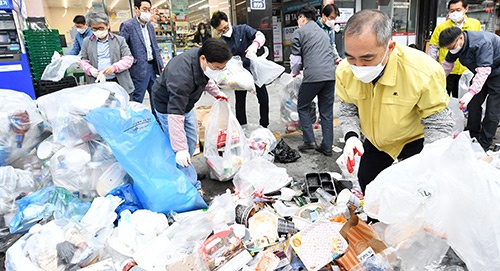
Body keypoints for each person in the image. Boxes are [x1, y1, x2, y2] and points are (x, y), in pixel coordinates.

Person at [336, 9, 454, 193]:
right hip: (377, 140)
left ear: (389, 48)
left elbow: (438, 122)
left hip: (413, 138)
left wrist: (430, 160)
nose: (358, 66)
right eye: (351, 57)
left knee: (413, 190)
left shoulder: (423, 71)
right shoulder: (345, 71)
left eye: (367, 58)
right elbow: (347, 107)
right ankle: (374, 221)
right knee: (367, 180)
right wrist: (351, 137)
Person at [152, 38, 231, 189]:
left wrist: (217, 93)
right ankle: (188, 186)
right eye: (217, 68)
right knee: (177, 146)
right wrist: (180, 150)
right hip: (167, 107)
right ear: (203, 59)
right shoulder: (181, 78)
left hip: (186, 104)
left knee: (190, 139)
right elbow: (175, 116)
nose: (219, 71)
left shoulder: (201, 58)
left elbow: (205, 79)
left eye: (223, 68)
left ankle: (187, 171)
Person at [439, 27, 500, 150]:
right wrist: (435, 81)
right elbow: (446, 66)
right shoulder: (456, 45)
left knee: (492, 110)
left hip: (497, 73)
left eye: (451, 47)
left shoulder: (481, 42)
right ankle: (472, 133)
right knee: (472, 104)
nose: (451, 50)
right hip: (480, 73)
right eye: (448, 49)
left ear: (460, 38)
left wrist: (471, 92)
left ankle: (484, 142)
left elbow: (484, 70)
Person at [210, 11, 270, 128]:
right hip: (237, 75)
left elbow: (260, 36)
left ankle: (264, 125)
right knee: (240, 101)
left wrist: (255, 45)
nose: (225, 31)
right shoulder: (222, 42)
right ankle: (242, 127)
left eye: (226, 27)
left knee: (263, 98)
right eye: (221, 31)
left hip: (253, 69)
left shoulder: (243, 29)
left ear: (228, 21)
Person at [290, 5, 336, 156]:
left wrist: (294, 73)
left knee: (303, 106)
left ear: (302, 17)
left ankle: (309, 141)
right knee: (326, 112)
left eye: (299, 18)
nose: (299, 21)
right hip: (330, 76)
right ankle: (327, 147)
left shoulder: (299, 32)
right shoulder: (323, 33)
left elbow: (296, 61)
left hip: (313, 77)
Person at [428, 0, 480, 98]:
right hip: (447, 69)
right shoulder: (441, 27)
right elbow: (433, 48)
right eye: (452, 11)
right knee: (442, 97)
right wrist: (431, 68)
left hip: (467, 70)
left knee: (462, 98)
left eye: (458, 10)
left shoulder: (475, 24)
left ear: (466, 9)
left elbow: (478, 44)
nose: (455, 13)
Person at [120, 0, 164, 109]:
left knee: (157, 98)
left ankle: (157, 122)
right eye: (144, 9)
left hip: (152, 67)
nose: (147, 12)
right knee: (137, 100)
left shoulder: (150, 27)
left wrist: (161, 66)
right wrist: (131, 63)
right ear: (136, 9)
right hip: (138, 69)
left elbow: (154, 47)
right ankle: (136, 123)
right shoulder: (127, 26)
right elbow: (122, 48)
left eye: (149, 10)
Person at [78, 11, 134, 94]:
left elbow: (128, 59)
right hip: (98, 84)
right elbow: (83, 60)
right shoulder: (87, 42)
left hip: (119, 83)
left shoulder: (119, 40)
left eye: (101, 28)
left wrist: (114, 67)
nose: (98, 31)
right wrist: (90, 70)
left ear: (107, 25)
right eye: (94, 29)